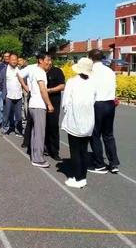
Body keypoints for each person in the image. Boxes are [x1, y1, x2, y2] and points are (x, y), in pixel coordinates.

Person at [62, 58, 96, 188]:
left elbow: (66, 102)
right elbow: (94, 99)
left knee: (75, 151)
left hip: (75, 120)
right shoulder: (93, 82)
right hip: (88, 120)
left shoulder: (72, 82)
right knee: (83, 150)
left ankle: (78, 178)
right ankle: (82, 175)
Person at [88, 49, 120, 174]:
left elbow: (90, 89)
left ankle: (99, 163)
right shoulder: (110, 71)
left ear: (91, 59)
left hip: (97, 104)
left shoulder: (91, 72)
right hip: (109, 103)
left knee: (95, 134)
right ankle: (114, 163)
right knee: (108, 134)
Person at [28, 52, 54, 168]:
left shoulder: (35, 71)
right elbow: (43, 90)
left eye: (50, 60)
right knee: (39, 133)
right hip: (38, 105)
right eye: (47, 60)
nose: (49, 62)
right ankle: (38, 158)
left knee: (35, 132)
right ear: (40, 60)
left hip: (33, 105)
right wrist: (49, 104)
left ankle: (35, 155)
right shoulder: (40, 72)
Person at [45, 57, 65, 160]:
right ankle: (44, 147)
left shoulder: (57, 71)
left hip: (54, 102)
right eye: (45, 61)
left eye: (49, 60)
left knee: (53, 126)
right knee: (42, 125)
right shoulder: (40, 71)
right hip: (41, 102)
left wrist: (50, 90)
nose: (47, 63)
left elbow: (62, 86)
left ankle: (54, 151)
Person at [0, 52, 23, 135]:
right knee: (6, 113)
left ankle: (18, 128)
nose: (14, 61)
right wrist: (4, 92)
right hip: (8, 96)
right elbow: (1, 82)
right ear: (9, 60)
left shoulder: (20, 70)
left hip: (19, 95)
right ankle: (5, 128)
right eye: (12, 59)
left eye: (15, 59)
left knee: (18, 115)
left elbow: (24, 81)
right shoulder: (4, 70)